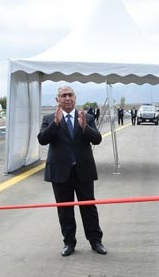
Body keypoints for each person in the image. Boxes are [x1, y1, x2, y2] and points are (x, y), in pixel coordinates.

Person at [37, 86, 107, 257]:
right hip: (60, 172)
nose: (67, 98)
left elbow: (97, 139)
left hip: (83, 171)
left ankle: (96, 241)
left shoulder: (87, 118)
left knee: (88, 207)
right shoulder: (49, 119)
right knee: (64, 209)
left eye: (70, 95)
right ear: (57, 99)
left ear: (75, 98)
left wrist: (85, 127)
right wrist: (55, 124)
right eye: (63, 95)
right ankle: (69, 243)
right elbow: (42, 140)